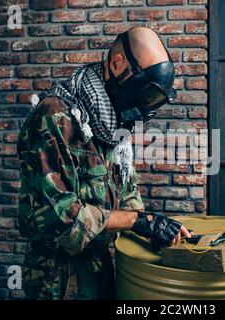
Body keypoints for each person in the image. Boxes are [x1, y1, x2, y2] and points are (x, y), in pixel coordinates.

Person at [17, 27, 192, 300]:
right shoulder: (55, 117)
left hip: (100, 268)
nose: (146, 108)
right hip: (56, 278)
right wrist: (137, 221)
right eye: (146, 95)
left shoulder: (113, 122)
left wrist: (152, 228)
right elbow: (60, 218)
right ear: (117, 64)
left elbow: (128, 191)